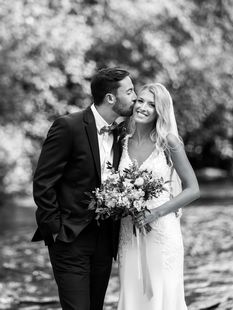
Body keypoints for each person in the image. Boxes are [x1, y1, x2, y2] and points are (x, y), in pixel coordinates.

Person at [32, 67, 137, 310]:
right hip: (69, 238)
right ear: (111, 98)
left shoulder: (122, 134)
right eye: (129, 91)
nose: (134, 97)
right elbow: (43, 181)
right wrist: (56, 229)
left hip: (105, 241)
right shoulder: (68, 126)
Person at [117, 83, 200, 310]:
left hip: (162, 232)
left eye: (151, 105)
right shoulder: (122, 141)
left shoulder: (168, 142)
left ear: (160, 111)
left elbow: (193, 189)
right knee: (133, 296)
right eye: (140, 101)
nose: (142, 107)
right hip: (129, 232)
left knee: (161, 298)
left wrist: (155, 212)